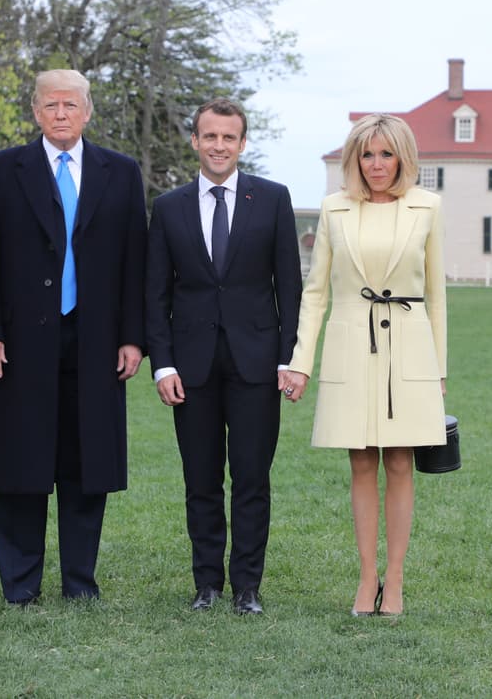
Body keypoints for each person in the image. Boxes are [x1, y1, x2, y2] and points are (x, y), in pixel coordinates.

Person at [0, 69, 146, 605]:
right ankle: (20, 585)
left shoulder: (121, 171)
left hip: (96, 341)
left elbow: (136, 259)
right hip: (18, 343)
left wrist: (133, 337)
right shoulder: (1, 171)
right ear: (36, 112)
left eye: (70, 104)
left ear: (88, 111)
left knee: (87, 462)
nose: (61, 113)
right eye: (50, 105)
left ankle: (79, 583)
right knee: (21, 460)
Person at [283, 113, 447, 618]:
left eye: (386, 154)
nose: (376, 164)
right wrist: (300, 362)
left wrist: (439, 372)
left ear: (402, 157)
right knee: (360, 460)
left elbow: (437, 296)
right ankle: (366, 577)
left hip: (410, 345)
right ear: (355, 158)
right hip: (351, 344)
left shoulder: (428, 208)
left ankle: (394, 581)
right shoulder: (334, 210)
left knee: (399, 462)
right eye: (367, 154)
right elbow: (315, 295)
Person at [145, 98, 302, 615]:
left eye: (228, 137)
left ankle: (247, 588)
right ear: (195, 141)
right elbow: (156, 294)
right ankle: (207, 584)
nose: (218, 146)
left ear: (242, 143)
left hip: (257, 364)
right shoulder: (168, 207)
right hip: (190, 368)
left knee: (253, 479)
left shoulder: (273, 199)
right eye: (209, 136)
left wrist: (288, 357)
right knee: (201, 480)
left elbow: (290, 286)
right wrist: (162, 364)